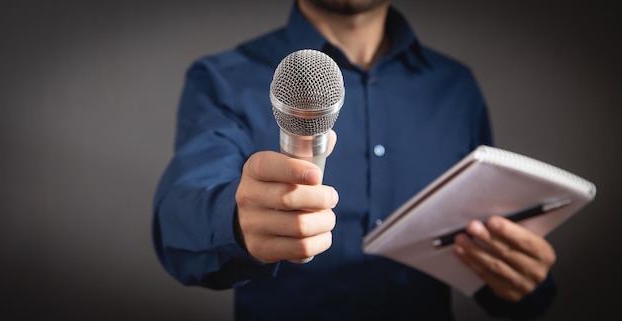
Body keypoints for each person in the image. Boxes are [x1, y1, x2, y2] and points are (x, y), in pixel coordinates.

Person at [152, 0, 558, 320]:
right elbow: (180, 223)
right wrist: (237, 221)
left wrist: (519, 282)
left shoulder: (456, 88)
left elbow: (477, 237)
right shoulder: (222, 78)